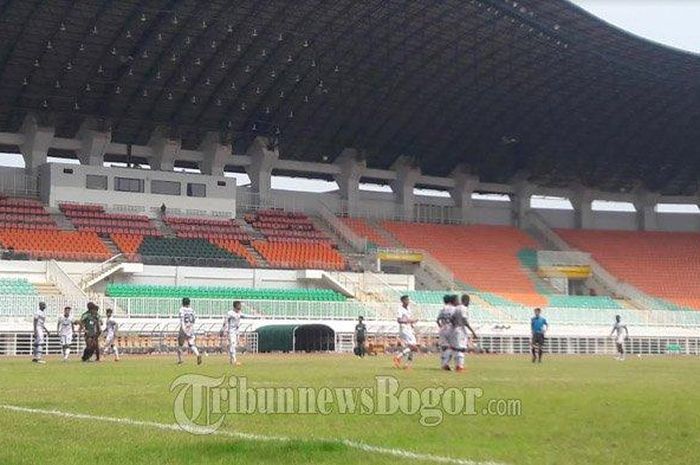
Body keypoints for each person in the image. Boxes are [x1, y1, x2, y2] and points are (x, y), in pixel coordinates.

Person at [451, 294, 478, 372]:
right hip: (461, 329)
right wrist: (473, 332)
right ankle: (460, 367)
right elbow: (464, 320)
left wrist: (454, 327)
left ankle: (458, 365)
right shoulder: (463, 309)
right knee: (461, 348)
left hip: (455, 328)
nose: (469, 303)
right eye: (469, 301)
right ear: (466, 300)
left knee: (457, 348)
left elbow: (451, 319)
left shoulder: (456, 308)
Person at [393, 295, 419, 370]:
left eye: (408, 300)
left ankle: (407, 364)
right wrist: (410, 321)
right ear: (403, 301)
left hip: (409, 329)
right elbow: (399, 320)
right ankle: (398, 357)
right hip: (404, 329)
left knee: (411, 348)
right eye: (406, 300)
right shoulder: (400, 309)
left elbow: (408, 319)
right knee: (413, 346)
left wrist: (412, 324)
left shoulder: (409, 309)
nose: (408, 301)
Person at [177, 297, 202, 365]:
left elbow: (182, 320)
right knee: (191, 344)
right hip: (191, 328)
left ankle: (180, 360)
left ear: (182, 303)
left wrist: (183, 329)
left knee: (180, 344)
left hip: (184, 328)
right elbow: (194, 319)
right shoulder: (192, 310)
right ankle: (198, 354)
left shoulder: (181, 310)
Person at [436, 295, 456, 370]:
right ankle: (446, 364)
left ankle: (443, 364)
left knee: (444, 347)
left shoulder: (442, 309)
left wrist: (441, 326)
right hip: (451, 328)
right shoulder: (454, 309)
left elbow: (437, 320)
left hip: (443, 328)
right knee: (451, 347)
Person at [220, 301, 243, 366]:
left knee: (233, 345)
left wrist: (256, 316)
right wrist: (222, 330)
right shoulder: (230, 313)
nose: (240, 306)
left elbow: (245, 315)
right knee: (233, 345)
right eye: (239, 305)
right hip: (231, 331)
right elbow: (225, 322)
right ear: (235, 306)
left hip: (236, 331)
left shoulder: (239, 313)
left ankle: (231, 359)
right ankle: (235, 360)